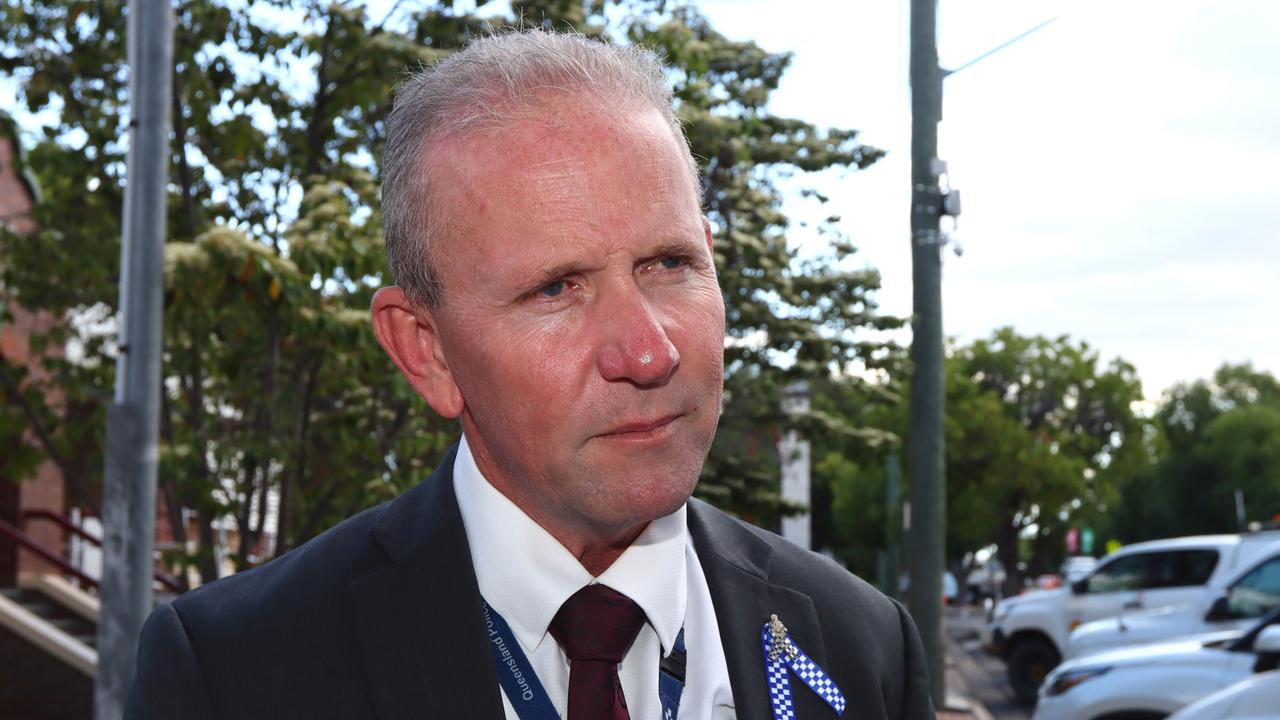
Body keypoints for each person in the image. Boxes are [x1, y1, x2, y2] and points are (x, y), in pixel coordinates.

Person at [126, 30, 933, 720]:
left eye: (669, 263)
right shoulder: (234, 675)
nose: (649, 354)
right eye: (555, 289)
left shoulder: (862, 648)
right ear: (426, 352)